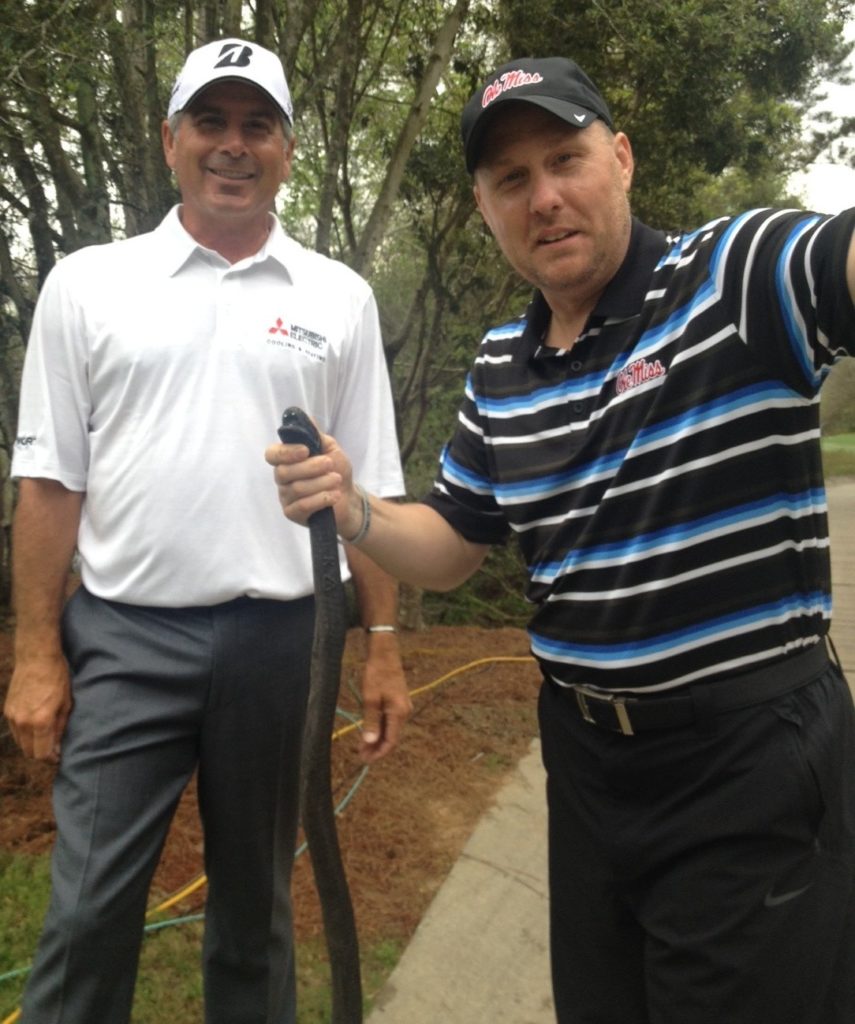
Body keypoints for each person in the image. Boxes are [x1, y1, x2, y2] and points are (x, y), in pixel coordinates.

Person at [268, 56, 855, 1024]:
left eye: (566, 159)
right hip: (587, 767)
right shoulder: (501, 366)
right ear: (484, 205)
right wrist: (354, 508)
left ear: (620, 159)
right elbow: (454, 547)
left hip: (749, 763)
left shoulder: (735, 275)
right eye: (511, 180)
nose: (543, 197)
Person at [4, 37, 411, 1024]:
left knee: (255, 915)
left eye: (256, 126)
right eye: (211, 123)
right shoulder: (89, 283)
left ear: (287, 148)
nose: (234, 146)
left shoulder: (338, 299)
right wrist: (33, 654)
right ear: (171, 138)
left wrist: (385, 647)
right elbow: (50, 481)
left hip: (286, 643)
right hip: (128, 638)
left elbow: (373, 498)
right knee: (89, 910)